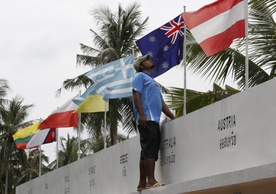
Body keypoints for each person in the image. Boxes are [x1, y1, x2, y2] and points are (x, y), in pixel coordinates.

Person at [132, 54, 175, 191]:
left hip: (154, 120)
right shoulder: (140, 77)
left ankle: (141, 183)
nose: (149, 60)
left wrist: (174, 118)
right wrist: (142, 114)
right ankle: (151, 180)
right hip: (147, 118)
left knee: (145, 151)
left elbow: (162, 104)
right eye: (146, 60)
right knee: (150, 150)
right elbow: (136, 94)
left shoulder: (153, 82)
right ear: (141, 65)